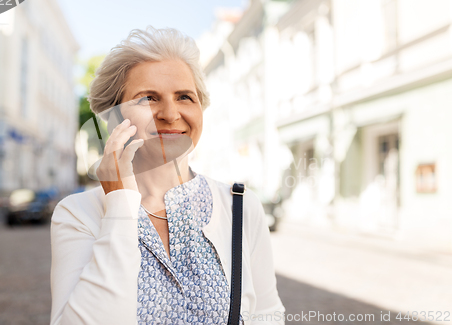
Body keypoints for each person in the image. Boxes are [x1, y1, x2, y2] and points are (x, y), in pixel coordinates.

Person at [50, 26, 285, 325]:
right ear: (114, 116)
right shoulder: (78, 214)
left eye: (185, 97)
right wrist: (120, 206)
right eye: (148, 98)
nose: (171, 114)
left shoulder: (240, 206)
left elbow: (267, 315)